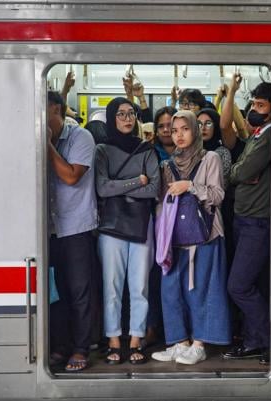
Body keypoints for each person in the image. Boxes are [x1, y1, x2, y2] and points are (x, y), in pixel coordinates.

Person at [152, 110, 230, 365]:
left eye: (185, 129)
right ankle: (180, 342)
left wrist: (189, 186)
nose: (179, 135)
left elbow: (218, 195)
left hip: (205, 235)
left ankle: (199, 344)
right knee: (171, 290)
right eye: (174, 130)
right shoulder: (167, 164)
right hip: (174, 237)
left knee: (202, 290)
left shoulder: (211, 158)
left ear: (195, 130)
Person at [95, 97, 160, 365]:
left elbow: (154, 188)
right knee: (111, 285)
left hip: (142, 223)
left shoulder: (146, 149)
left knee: (140, 286)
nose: (126, 118)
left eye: (131, 113)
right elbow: (102, 188)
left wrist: (119, 184)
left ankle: (135, 338)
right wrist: (137, 181)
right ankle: (113, 338)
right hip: (111, 227)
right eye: (120, 114)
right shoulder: (102, 150)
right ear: (111, 118)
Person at [222, 74, 271, 364]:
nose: (255, 109)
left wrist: (235, 173)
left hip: (257, 221)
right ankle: (254, 340)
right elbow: (242, 168)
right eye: (253, 103)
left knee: (238, 285)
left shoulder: (269, 137)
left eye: (261, 105)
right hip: (244, 217)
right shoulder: (257, 134)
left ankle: (268, 340)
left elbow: (240, 172)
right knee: (250, 284)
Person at [47, 91, 97, 372]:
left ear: (57, 109)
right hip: (48, 229)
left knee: (79, 292)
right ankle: (61, 345)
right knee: (57, 293)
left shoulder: (80, 137)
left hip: (76, 227)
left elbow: (70, 175)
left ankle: (80, 348)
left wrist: (47, 145)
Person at [196, 108, 232, 186]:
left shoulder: (222, 153)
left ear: (216, 126)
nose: (203, 128)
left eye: (208, 123)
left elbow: (222, 185)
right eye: (199, 124)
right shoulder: (189, 150)